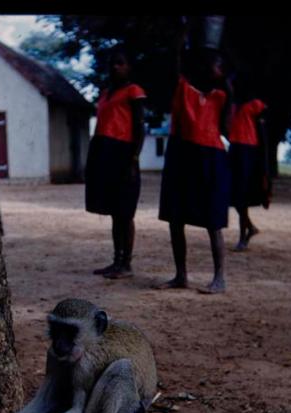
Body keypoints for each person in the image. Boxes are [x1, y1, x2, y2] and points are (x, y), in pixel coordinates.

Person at [157, 47, 232, 293]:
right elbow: (174, 62)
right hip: (181, 154)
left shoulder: (221, 96)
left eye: (221, 67)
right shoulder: (182, 88)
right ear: (205, 67)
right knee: (175, 218)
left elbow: (228, 130)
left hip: (211, 157)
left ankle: (219, 278)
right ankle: (181, 275)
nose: (220, 71)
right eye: (217, 65)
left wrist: (228, 92)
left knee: (213, 220)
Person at [85, 45, 146, 279]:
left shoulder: (134, 91)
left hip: (124, 154)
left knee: (125, 212)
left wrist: (133, 159)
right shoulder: (105, 94)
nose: (115, 67)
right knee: (113, 211)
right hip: (104, 152)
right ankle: (116, 261)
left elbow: (140, 128)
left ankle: (127, 264)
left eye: (120, 63)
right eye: (112, 63)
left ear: (129, 67)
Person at [228, 72, 270, 251]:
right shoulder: (232, 107)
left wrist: (263, 164)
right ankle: (249, 228)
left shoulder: (255, 105)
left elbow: (263, 135)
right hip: (235, 150)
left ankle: (243, 237)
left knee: (241, 196)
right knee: (235, 196)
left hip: (248, 152)